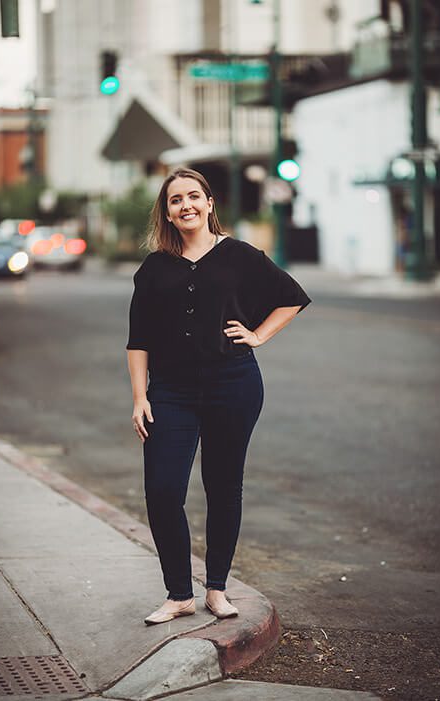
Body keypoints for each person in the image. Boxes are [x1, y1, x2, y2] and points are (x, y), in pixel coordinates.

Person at [128, 168, 310, 625]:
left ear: (210, 203)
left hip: (233, 383)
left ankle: (216, 588)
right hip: (170, 391)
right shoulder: (154, 268)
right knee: (163, 488)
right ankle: (178, 593)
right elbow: (138, 340)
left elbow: (291, 297)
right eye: (175, 200)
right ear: (166, 212)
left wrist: (259, 335)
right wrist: (139, 397)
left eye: (194, 196)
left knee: (223, 486)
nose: (185, 205)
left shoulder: (240, 256)